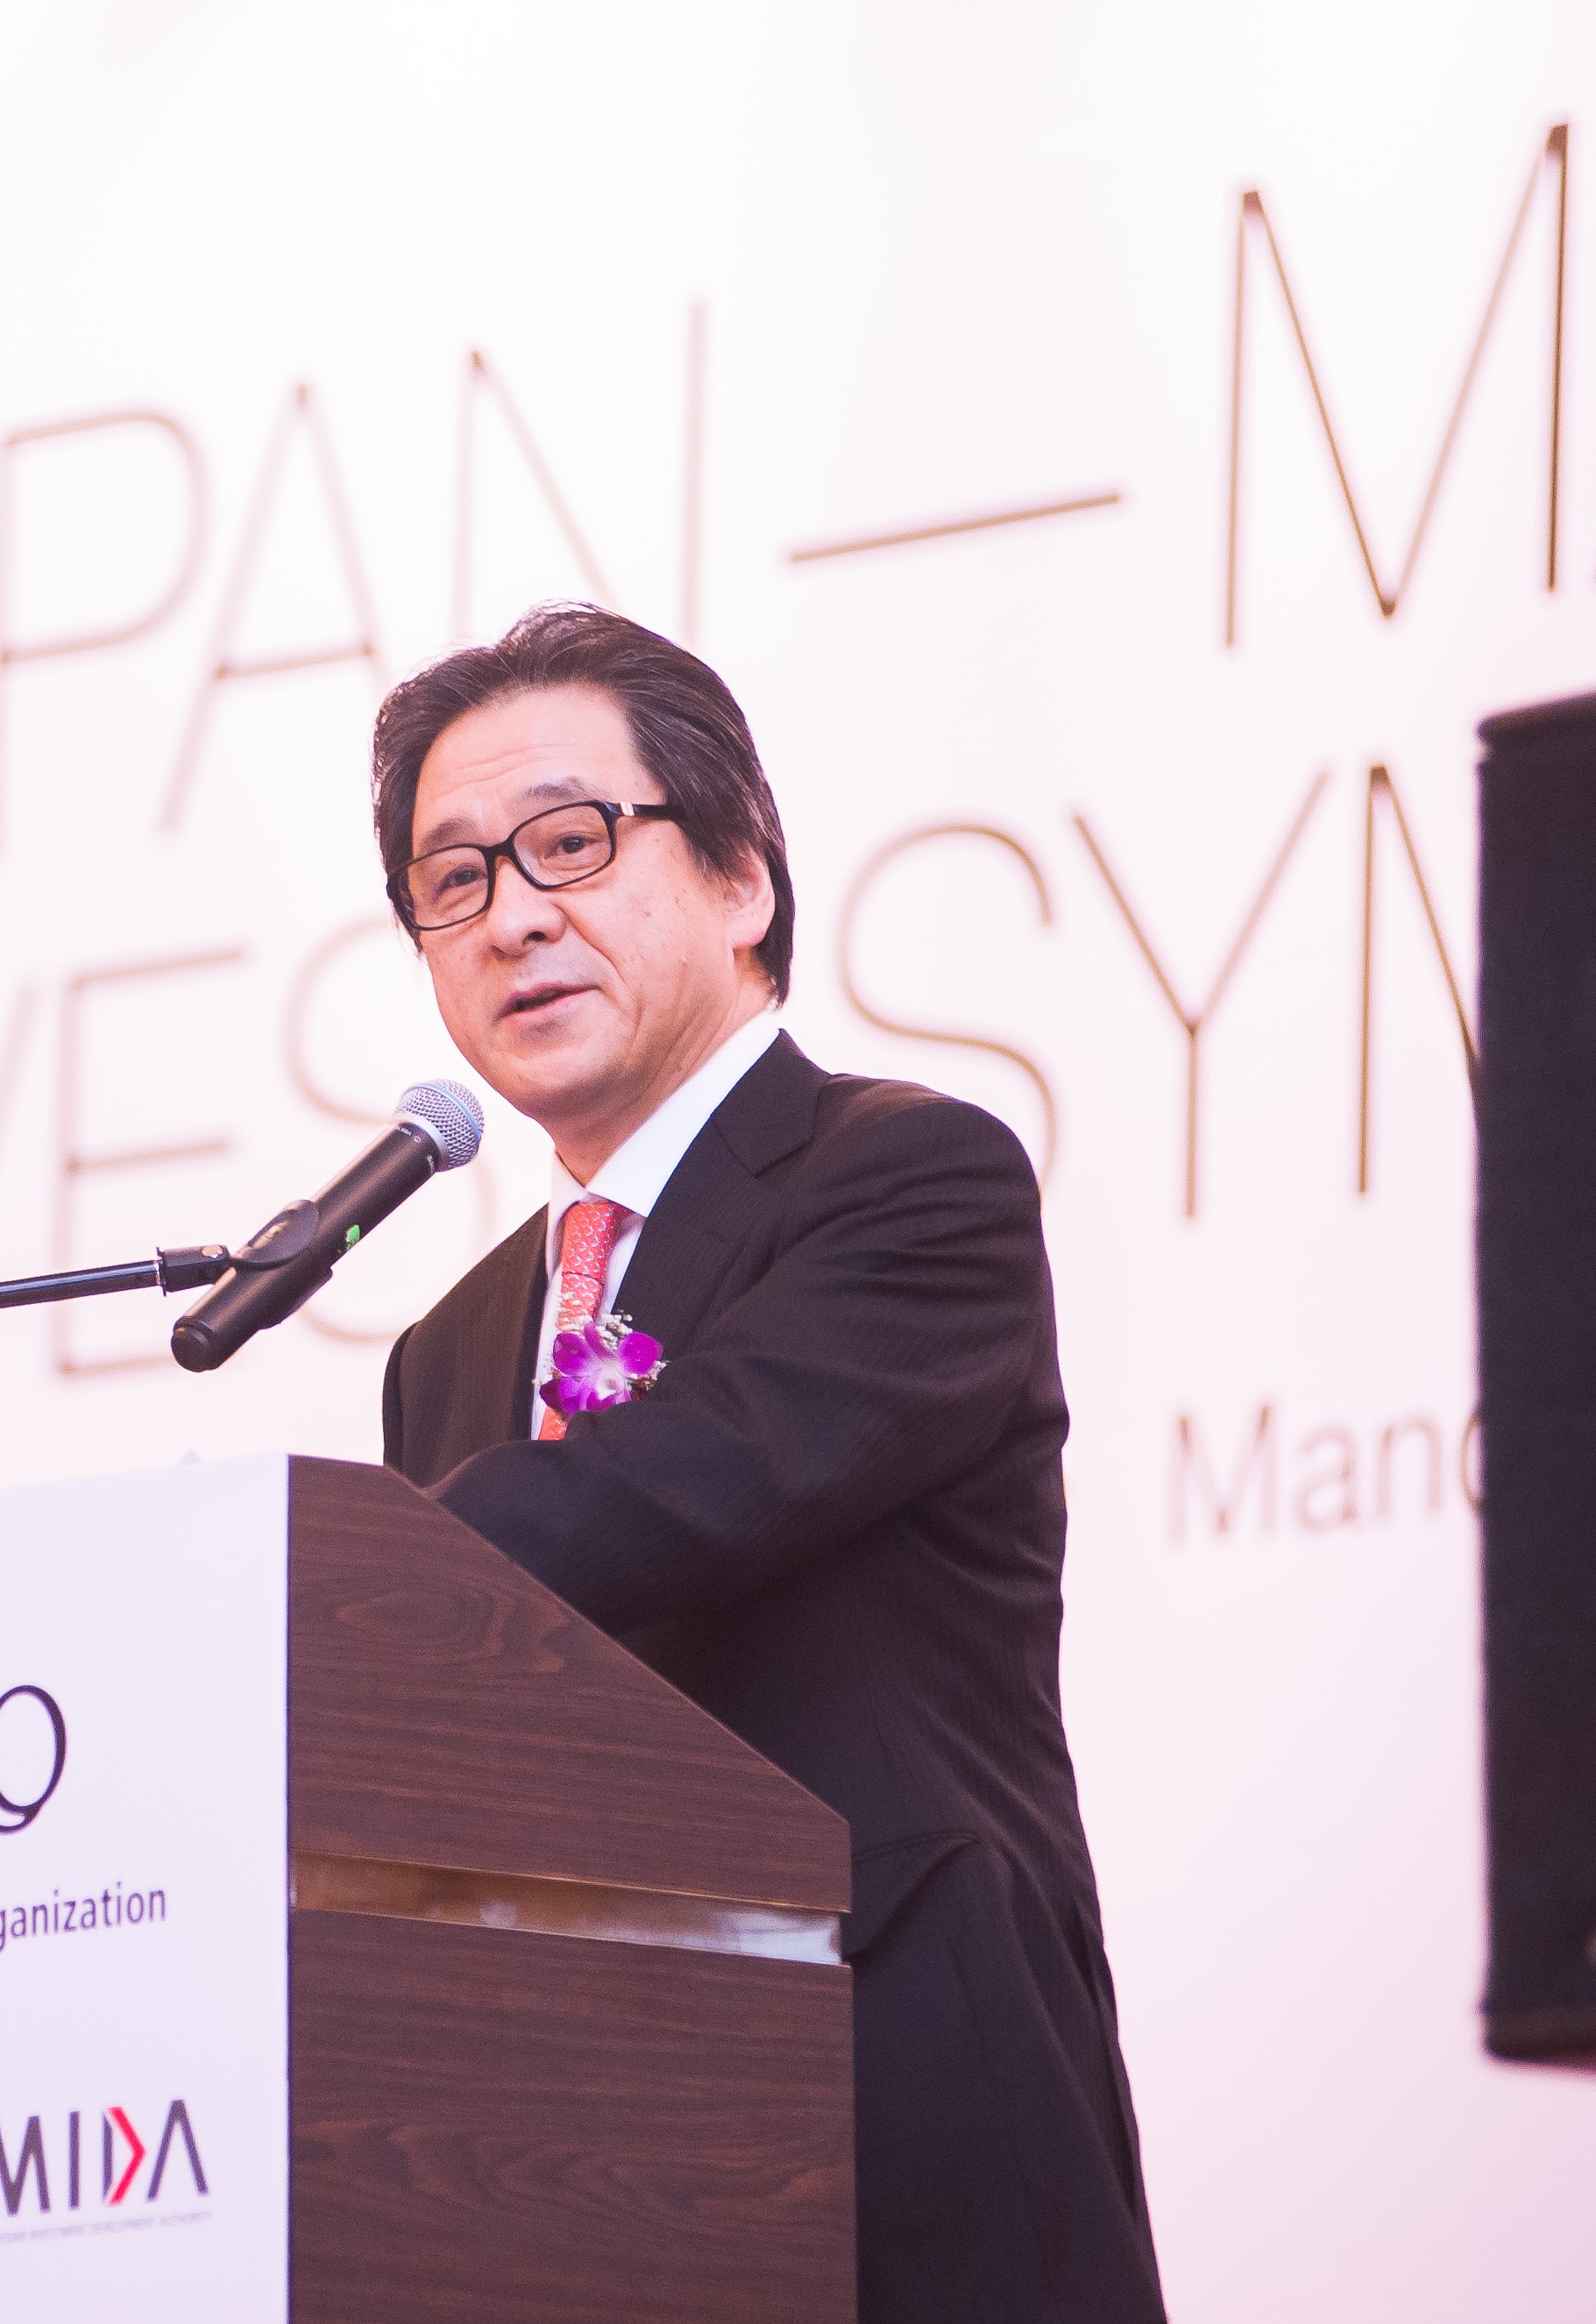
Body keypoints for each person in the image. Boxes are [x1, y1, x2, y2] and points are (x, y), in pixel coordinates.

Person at [372, 604, 1162, 2324]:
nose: (513, 915)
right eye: (453, 879)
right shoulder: (446, 1350)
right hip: (567, 2183)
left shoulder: (908, 1181)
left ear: (741, 878)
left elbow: (684, 1484)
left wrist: (313, 1588)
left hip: (897, 2107)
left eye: (569, 842)